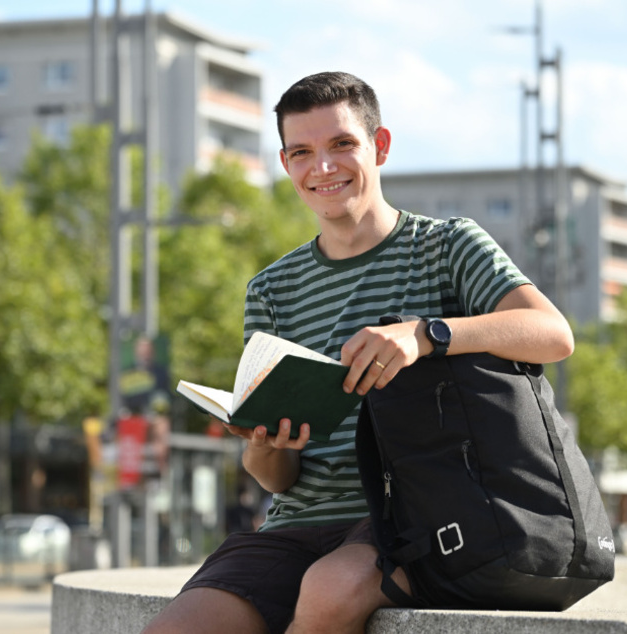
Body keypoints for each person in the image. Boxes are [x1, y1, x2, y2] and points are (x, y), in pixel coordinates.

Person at [142, 71, 574, 634]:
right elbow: (277, 480)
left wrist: (426, 335)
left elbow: (551, 333)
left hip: (415, 513)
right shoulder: (270, 290)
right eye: (302, 152)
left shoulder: (447, 244)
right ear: (285, 164)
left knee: (330, 588)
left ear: (380, 146)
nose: (322, 167)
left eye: (341, 144)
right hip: (296, 525)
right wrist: (263, 447)